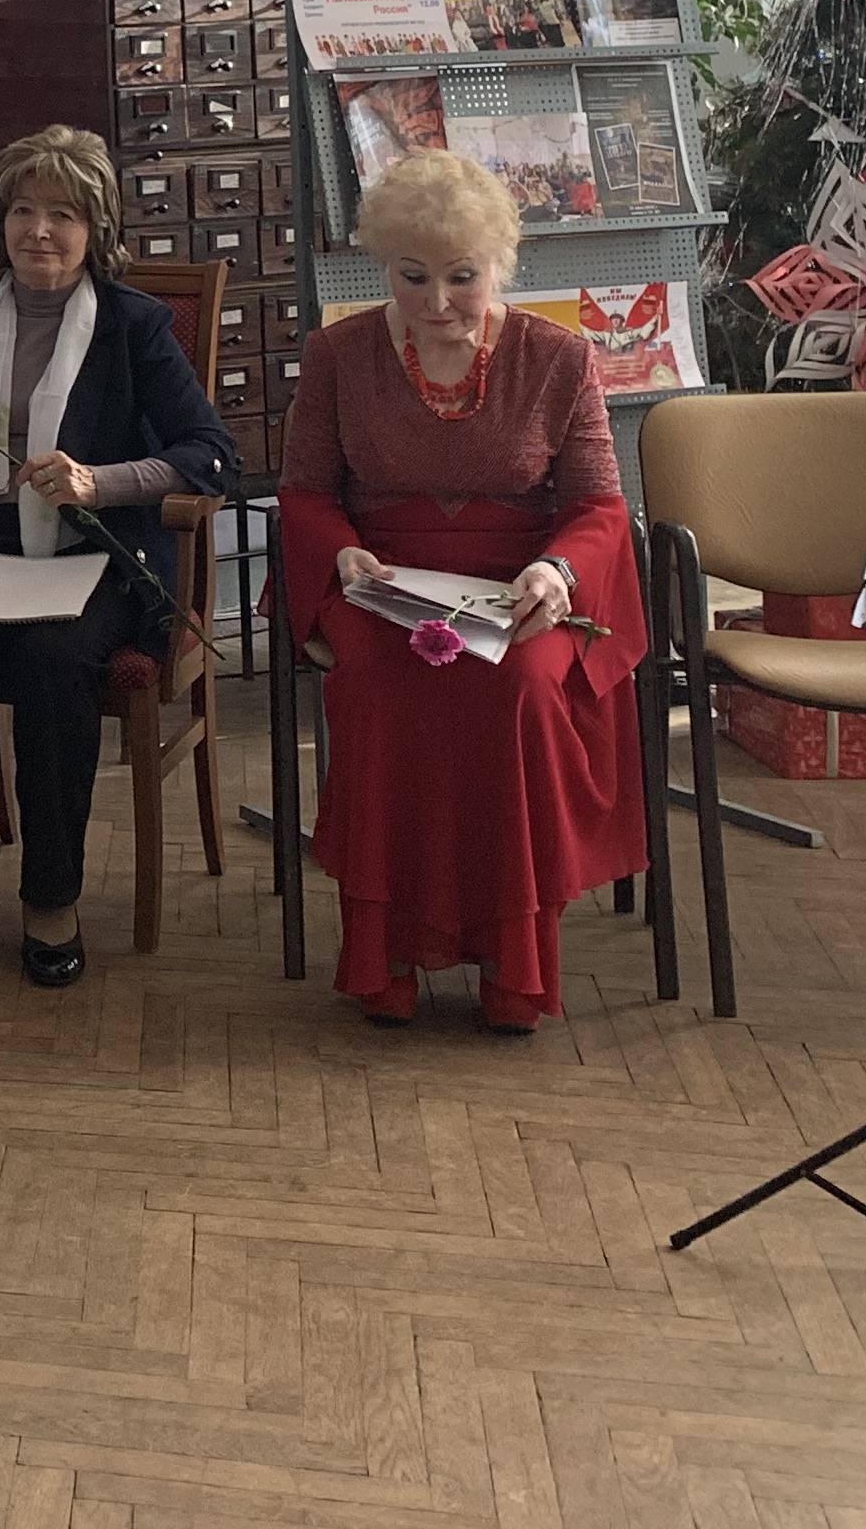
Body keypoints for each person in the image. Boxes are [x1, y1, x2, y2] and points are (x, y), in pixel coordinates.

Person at [275, 147, 648, 1033]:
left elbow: (598, 505)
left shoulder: (559, 357)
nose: (437, 302)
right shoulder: (337, 354)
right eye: (413, 277)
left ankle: (515, 960)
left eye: (461, 277)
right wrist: (341, 555)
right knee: (375, 685)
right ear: (383, 266)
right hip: (381, 582)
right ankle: (385, 955)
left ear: (499, 267)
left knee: (522, 688)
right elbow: (305, 491)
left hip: (522, 584)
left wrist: (557, 570)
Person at [0, 125, 237, 987]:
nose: (39, 231)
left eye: (63, 214)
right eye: (23, 211)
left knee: (52, 660)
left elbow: (211, 454)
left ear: (95, 228)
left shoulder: (133, 325)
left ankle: (51, 894)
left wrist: (97, 482)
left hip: (95, 553)